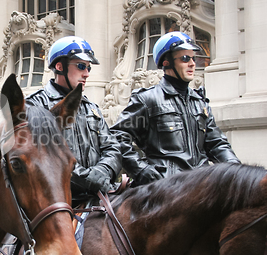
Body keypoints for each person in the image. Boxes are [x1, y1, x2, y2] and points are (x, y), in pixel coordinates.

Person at [111, 31, 240, 186]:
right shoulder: (147, 99)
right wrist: (141, 169)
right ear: (166, 62)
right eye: (185, 58)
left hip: (202, 185)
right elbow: (117, 136)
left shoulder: (199, 102)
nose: (192, 63)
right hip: (165, 189)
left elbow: (217, 144)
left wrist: (238, 172)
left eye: (193, 58)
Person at [26, 36, 122, 204]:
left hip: (100, 195)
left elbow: (112, 147)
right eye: (80, 66)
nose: (86, 73)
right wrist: (90, 179)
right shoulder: (35, 105)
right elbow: (44, 156)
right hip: (58, 202)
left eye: (88, 68)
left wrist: (102, 171)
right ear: (59, 66)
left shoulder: (91, 107)